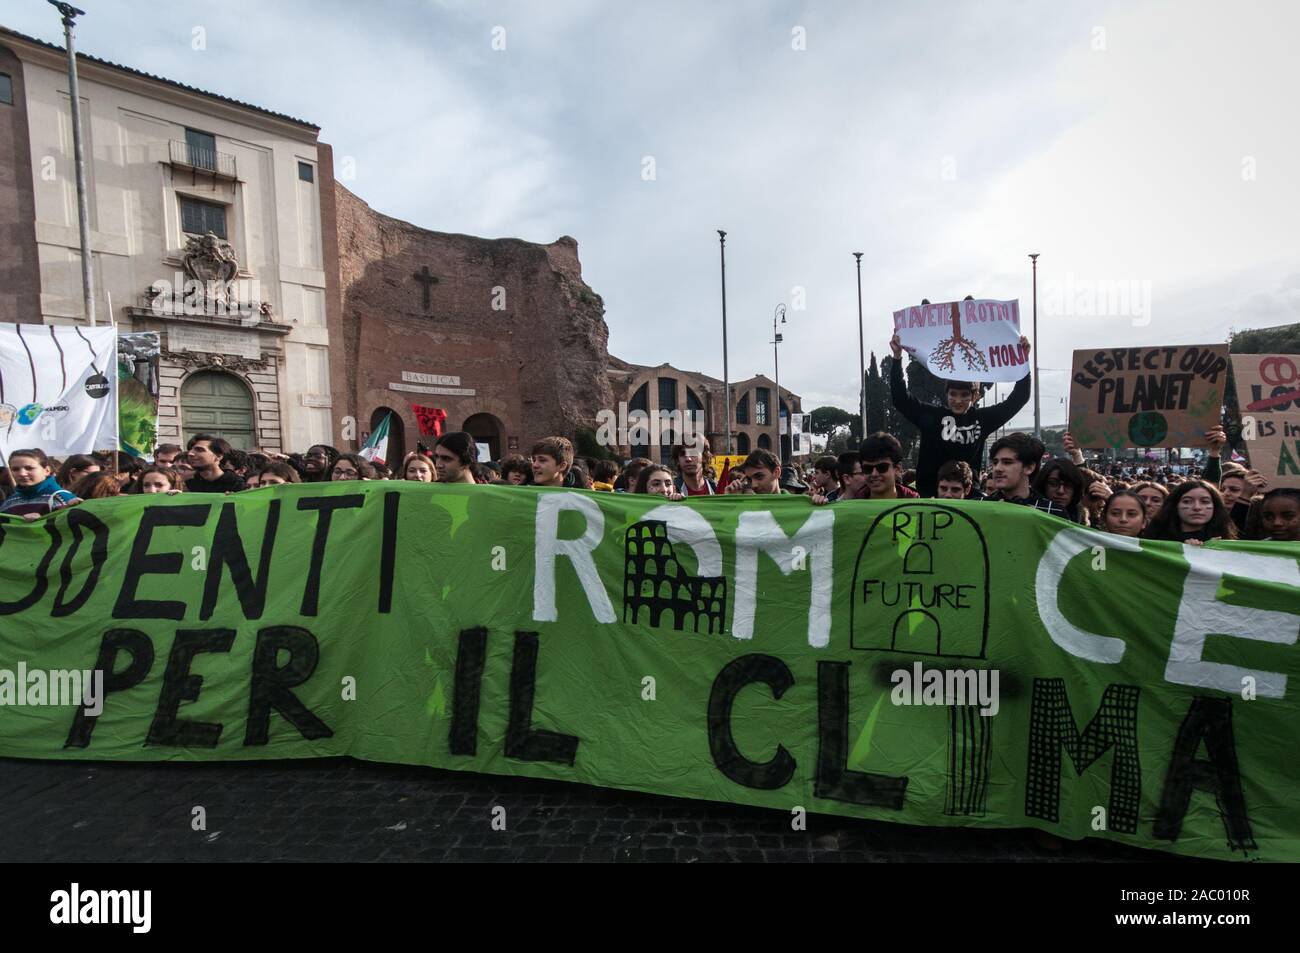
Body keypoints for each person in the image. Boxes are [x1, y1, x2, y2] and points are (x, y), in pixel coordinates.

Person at [888, 328, 1031, 497]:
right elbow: (901, 399)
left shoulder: (982, 420)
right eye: (953, 394)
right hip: (931, 496)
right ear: (946, 394)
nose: (958, 400)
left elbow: (1018, 399)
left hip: (969, 498)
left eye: (964, 395)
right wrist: (897, 358)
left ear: (975, 396)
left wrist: (1023, 361)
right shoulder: (933, 417)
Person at [980, 433, 1069, 516]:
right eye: (995, 462)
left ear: (1029, 467)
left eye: (1007, 462)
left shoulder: (1053, 512)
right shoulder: (979, 506)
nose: (997, 468)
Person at [1144, 480, 1236, 544]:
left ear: (1215, 506)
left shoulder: (1227, 542)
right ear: (1175, 505)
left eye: (1204, 502)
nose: (1197, 507)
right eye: (1187, 501)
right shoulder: (1154, 541)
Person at [1, 449, 79, 518]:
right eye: (15, 469)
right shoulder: (10, 501)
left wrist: (42, 519)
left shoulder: (61, 498)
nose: (22, 473)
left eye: (29, 468)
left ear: (47, 470)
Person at [859, 432, 919, 500]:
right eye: (867, 469)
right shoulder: (850, 506)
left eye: (882, 468)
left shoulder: (919, 506)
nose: (874, 474)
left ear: (897, 468)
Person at [1034, 459, 1091, 524]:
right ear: (1042, 485)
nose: (1061, 491)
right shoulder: (1030, 513)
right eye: (1053, 484)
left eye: (1068, 485)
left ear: (1075, 489)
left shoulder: (1083, 519)